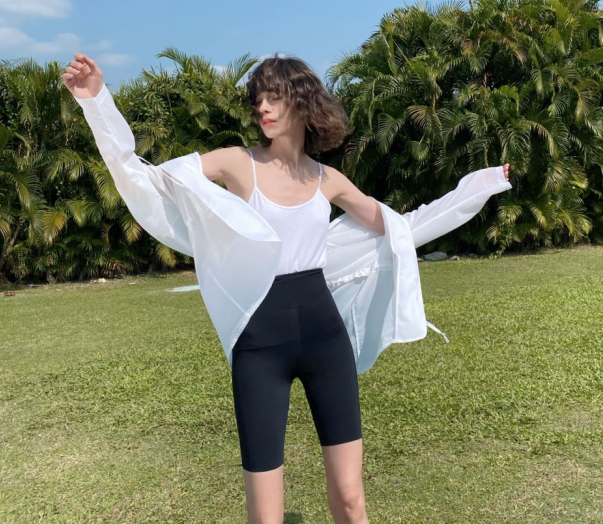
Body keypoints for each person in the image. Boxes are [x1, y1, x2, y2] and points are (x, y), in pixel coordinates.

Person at [62, 52, 511, 524]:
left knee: (351, 499)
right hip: (259, 347)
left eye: (275, 97)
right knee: (266, 517)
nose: (263, 107)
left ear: (303, 101)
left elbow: (400, 227)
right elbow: (146, 178)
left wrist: (476, 189)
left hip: (326, 340)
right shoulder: (238, 163)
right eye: (259, 98)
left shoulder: (327, 179)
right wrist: (97, 102)